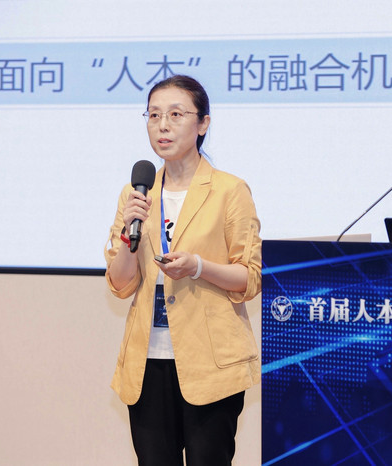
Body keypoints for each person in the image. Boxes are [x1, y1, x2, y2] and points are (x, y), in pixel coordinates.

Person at [104, 75, 262, 466]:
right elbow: (120, 284)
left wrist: (198, 267)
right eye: (154, 115)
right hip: (146, 363)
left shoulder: (229, 190)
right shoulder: (136, 193)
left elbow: (250, 278)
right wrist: (129, 232)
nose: (163, 125)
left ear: (203, 123)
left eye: (176, 114)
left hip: (211, 363)